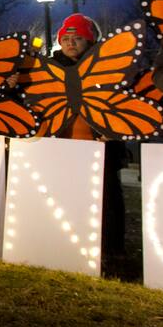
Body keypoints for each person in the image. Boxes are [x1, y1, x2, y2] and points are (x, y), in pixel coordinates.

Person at [48, 14, 127, 259]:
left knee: (107, 202)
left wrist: (113, 131)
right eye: (66, 38)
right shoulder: (50, 68)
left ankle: (111, 251)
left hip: (100, 149)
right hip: (62, 148)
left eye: (78, 38)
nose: (71, 43)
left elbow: (121, 103)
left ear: (89, 41)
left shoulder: (107, 67)